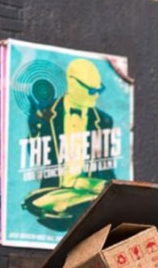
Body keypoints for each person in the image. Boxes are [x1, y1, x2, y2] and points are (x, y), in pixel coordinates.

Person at [23, 58, 115, 228]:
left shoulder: (103, 121)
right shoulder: (45, 114)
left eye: (99, 90)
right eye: (91, 90)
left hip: (86, 201)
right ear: (72, 83)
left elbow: (107, 169)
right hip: (52, 197)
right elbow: (35, 157)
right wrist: (34, 129)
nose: (96, 95)